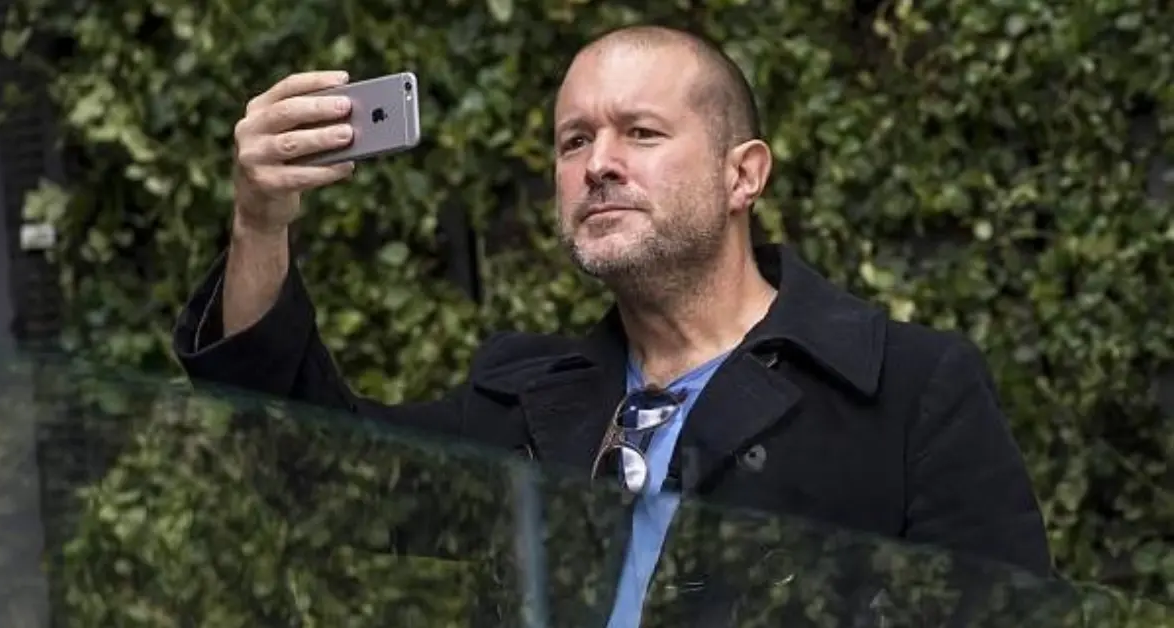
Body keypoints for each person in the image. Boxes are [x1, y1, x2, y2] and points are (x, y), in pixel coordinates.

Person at [173, 24, 1053, 627]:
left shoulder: (906, 388)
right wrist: (260, 222)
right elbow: (322, 474)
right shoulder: (526, 405)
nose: (598, 163)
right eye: (573, 141)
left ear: (743, 175)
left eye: (641, 133)